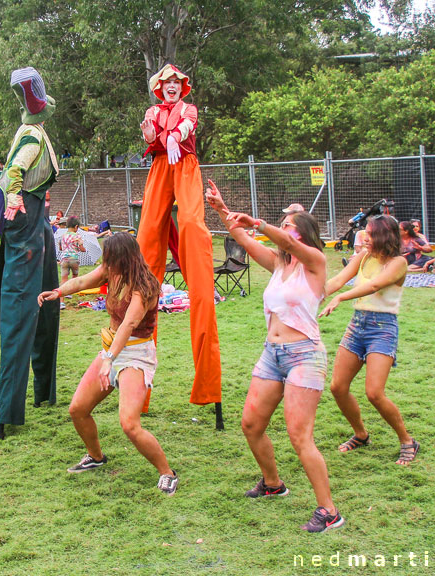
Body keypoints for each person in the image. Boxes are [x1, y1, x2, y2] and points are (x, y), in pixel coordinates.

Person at [205, 181, 343, 532]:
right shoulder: (280, 264)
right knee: (251, 425)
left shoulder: (315, 262)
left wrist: (261, 224)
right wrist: (222, 210)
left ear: (303, 234)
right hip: (272, 354)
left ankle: (329, 511)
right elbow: (247, 242)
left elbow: (281, 240)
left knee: (300, 437)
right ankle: (272, 484)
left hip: (304, 356)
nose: (282, 231)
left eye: (288, 225)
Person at [38, 233, 179, 494]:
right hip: (111, 350)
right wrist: (59, 292)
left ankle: (167, 473)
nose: (106, 264)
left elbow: (129, 323)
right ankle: (96, 457)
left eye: (110, 259)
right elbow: (81, 281)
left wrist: (109, 359)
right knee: (78, 409)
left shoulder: (145, 284)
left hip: (135, 355)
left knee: (129, 424)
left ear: (123, 259)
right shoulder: (111, 271)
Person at [0, 67, 60, 439]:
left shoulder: (34, 132)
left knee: (49, 302)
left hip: (38, 222)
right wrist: (18, 197)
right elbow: (16, 168)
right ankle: (9, 412)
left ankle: (43, 392)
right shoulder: (33, 137)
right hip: (25, 219)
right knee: (22, 310)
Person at [137, 63, 221, 409]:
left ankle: (205, 389)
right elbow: (147, 135)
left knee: (189, 223)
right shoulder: (153, 111)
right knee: (148, 234)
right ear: (160, 88)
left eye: (176, 82)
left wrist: (176, 135)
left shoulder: (189, 109)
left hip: (184, 166)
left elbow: (188, 124)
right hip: (160, 167)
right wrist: (154, 135)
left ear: (182, 87)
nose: (172, 86)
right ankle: (137, 386)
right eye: (166, 83)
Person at [322, 215, 419, 466]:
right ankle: (361, 435)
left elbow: (375, 285)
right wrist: (311, 294)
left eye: (369, 232)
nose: (364, 236)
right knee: (337, 387)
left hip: (383, 328)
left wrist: (341, 298)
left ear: (383, 236)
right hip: (357, 325)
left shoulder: (398, 263)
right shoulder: (363, 257)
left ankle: (407, 440)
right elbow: (337, 280)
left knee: (374, 393)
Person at [58, 216, 87, 286]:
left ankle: (62, 296)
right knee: (74, 277)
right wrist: (81, 244)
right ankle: (71, 292)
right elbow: (83, 250)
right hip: (74, 259)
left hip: (64, 259)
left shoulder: (63, 236)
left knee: (64, 279)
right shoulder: (77, 236)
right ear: (76, 226)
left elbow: (61, 248)